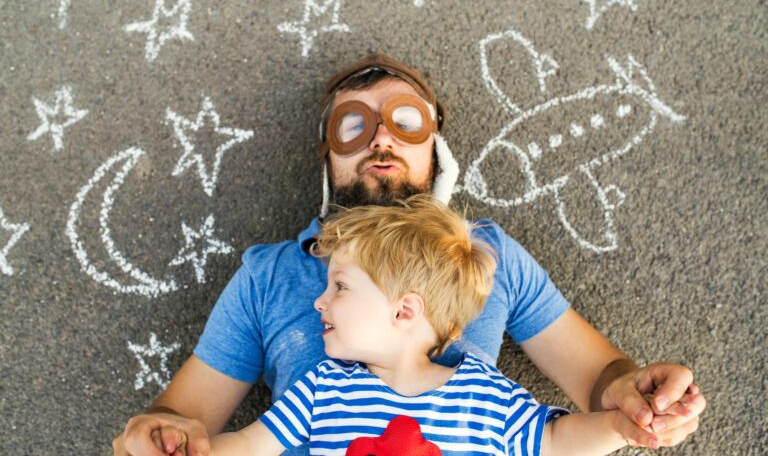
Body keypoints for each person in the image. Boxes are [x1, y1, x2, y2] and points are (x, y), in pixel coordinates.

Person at [113, 54, 705, 456]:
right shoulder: (269, 276)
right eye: (353, 124)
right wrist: (159, 434)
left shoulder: (488, 254)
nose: (381, 137)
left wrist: (635, 398)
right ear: (327, 155)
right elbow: (188, 423)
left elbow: (595, 384)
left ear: (435, 147)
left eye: (405, 120)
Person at [176, 196, 640, 456]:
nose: (319, 300)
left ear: (404, 312)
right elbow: (249, 446)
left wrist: (623, 426)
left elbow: (556, 441)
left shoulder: (485, 395)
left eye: (339, 286)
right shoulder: (322, 388)